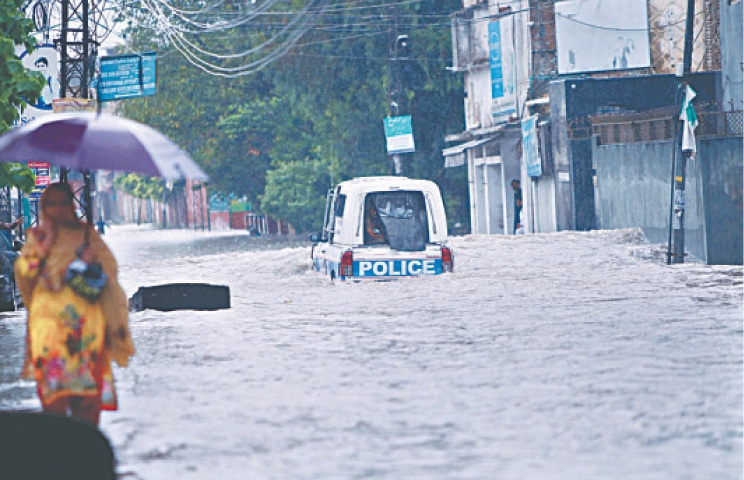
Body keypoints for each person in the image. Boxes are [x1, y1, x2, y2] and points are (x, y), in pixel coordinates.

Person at [14, 183, 134, 427]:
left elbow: (110, 273)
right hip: (48, 333)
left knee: (88, 402)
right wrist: (43, 249)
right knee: (53, 405)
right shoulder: (36, 238)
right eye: (51, 204)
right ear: (44, 207)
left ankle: (87, 456)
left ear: (71, 205)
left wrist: (91, 263)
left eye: (62, 203)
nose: (57, 210)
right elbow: (24, 277)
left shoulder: (87, 236)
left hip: (86, 330)